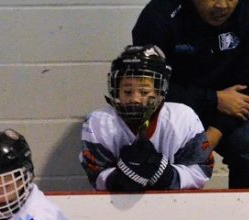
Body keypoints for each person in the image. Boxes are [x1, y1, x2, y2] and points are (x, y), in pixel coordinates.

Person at [132, 0, 249, 189]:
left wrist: (214, 133)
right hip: (167, 108)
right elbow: (146, 86)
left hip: (225, 111)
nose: (222, 5)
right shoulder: (159, 15)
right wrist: (213, 99)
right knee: (153, 159)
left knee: (248, 150)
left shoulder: (248, 15)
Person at [80, 44, 213, 191]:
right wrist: (118, 179)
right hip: (116, 208)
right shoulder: (99, 122)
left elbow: (201, 170)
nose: (135, 99)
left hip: (175, 207)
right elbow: (96, 174)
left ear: (159, 91)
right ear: (116, 90)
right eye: (128, 91)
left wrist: (168, 176)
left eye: (144, 92)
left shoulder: (183, 118)